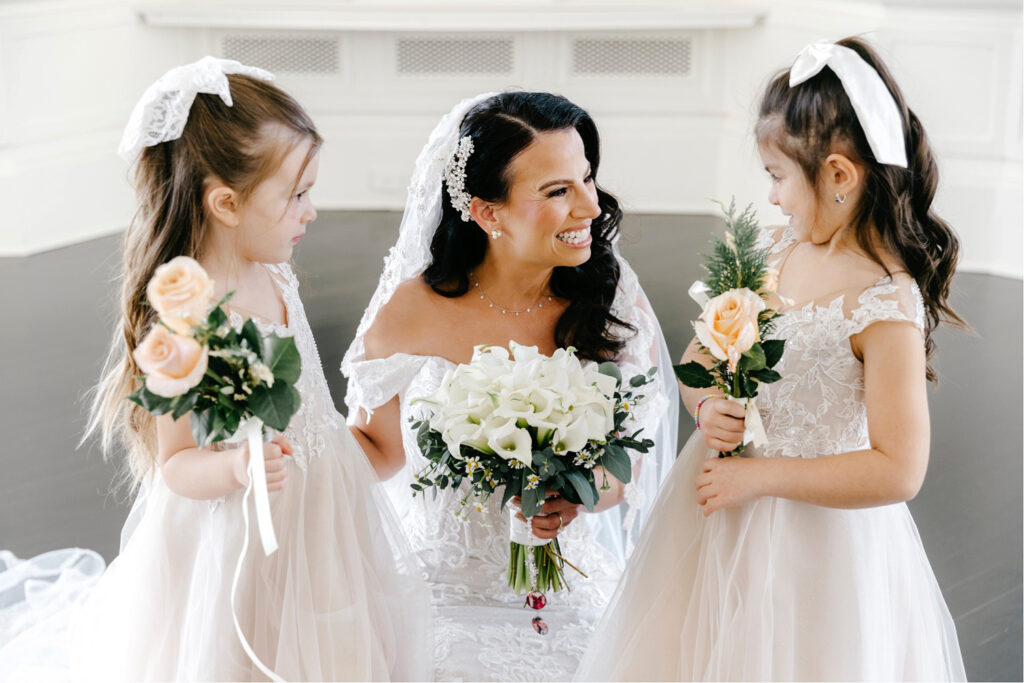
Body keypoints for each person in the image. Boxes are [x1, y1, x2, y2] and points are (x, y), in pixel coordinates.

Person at [0, 57, 429, 681]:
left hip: (316, 505)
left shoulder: (275, 271)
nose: (311, 212)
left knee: (330, 640)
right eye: (296, 196)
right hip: (239, 533)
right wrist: (233, 464)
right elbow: (175, 465)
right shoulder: (187, 319)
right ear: (226, 202)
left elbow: (305, 389)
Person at [576, 38, 966, 680]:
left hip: (816, 544)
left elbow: (899, 471)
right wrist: (707, 409)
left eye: (778, 177)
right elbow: (698, 355)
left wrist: (760, 478)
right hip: (717, 514)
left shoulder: (883, 303)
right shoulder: (769, 249)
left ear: (839, 176)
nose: (774, 198)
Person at [341, 91, 679, 681]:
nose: (590, 208)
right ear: (487, 212)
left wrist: (580, 492)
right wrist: (290, 446)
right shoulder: (413, 311)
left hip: (569, 585)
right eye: (557, 191)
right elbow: (378, 451)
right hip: (445, 590)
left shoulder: (607, 301)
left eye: (587, 179)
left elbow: (621, 475)